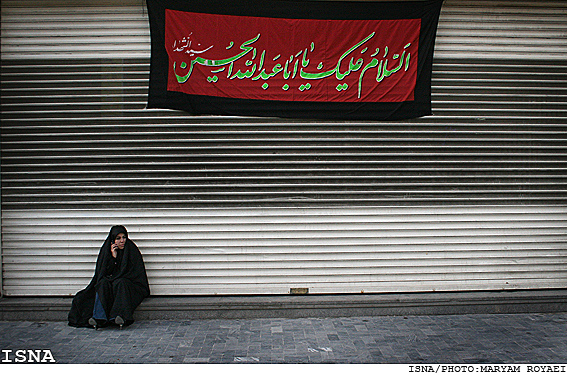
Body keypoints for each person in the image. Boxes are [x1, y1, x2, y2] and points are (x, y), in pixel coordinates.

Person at [68, 225, 150, 329]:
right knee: (102, 283)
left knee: (121, 282)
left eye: (124, 237)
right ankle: (98, 318)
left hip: (130, 285)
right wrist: (113, 257)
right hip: (112, 283)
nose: (122, 241)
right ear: (112, 240)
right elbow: (103, 273)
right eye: (118, 238)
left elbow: (135, 273)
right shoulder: (106, 251)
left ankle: (119, 316)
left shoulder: (132, 250)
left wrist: (116, 277)